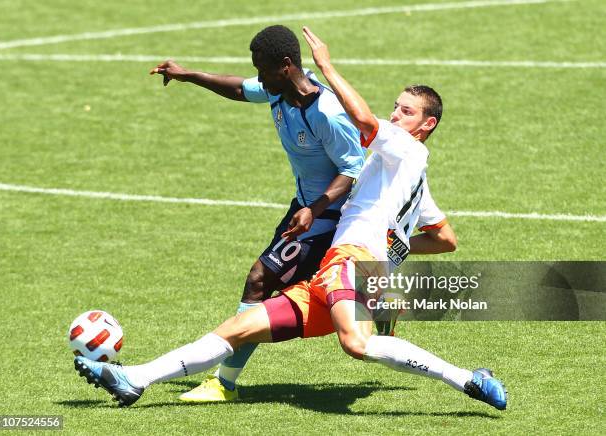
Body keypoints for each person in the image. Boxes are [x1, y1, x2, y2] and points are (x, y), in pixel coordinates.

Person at [75, 27, 506, 411]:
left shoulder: (407, 149)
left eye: (405, 112)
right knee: (240, 327)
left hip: (348, 262)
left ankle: (468, 379)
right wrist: (391, 257)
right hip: (340, 274)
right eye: (395, 107)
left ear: (426, 125)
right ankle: (137, 379)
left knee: (356, 344)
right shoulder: (412, 176)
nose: (395, 115)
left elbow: (359, 119)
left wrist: (327, 66)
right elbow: (446, 239)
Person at [149, 25, 365, 401]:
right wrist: (187, 75)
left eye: (263, 69)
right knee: (271, 283)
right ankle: (377, 300)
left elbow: (353, 169)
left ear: (285, 65)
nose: (259, 78)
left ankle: (223, 384)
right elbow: (237, 88)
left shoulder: (326, 112)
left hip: (330, 216)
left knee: (259, 281)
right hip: (305, 210)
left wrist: (315, 210)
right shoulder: (277, 92)